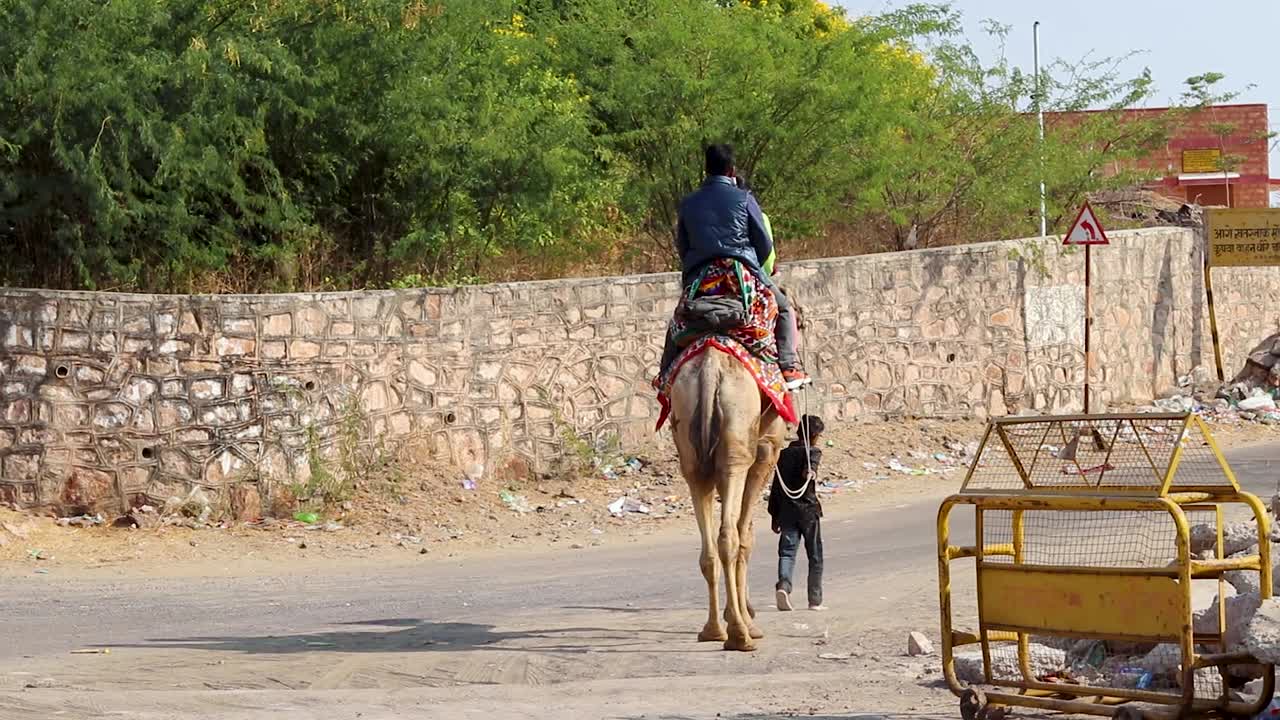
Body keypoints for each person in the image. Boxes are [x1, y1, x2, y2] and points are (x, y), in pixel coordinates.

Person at [658, 143, 810, 390]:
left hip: (702, 275)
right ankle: (789, 366)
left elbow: (683, 247)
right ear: (731, 170)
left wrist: (694, 271)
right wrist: (755, 268)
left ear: (706, 170)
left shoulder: (688, 203)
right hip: (741, 272)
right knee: (783, 308)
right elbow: (763, 243)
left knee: (677, 321)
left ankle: (665, 376)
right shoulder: (744, 198)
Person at [768, 414, 825, 611]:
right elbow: (811, 469)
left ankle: (783, 586)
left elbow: (776, 487)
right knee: (815, 555)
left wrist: (774, 515)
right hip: (808, 512)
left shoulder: (782, 455)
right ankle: (815, 600)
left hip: (786, 512)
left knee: (787, 553)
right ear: (815, 435)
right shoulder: (813, 452)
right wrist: (811, 472)